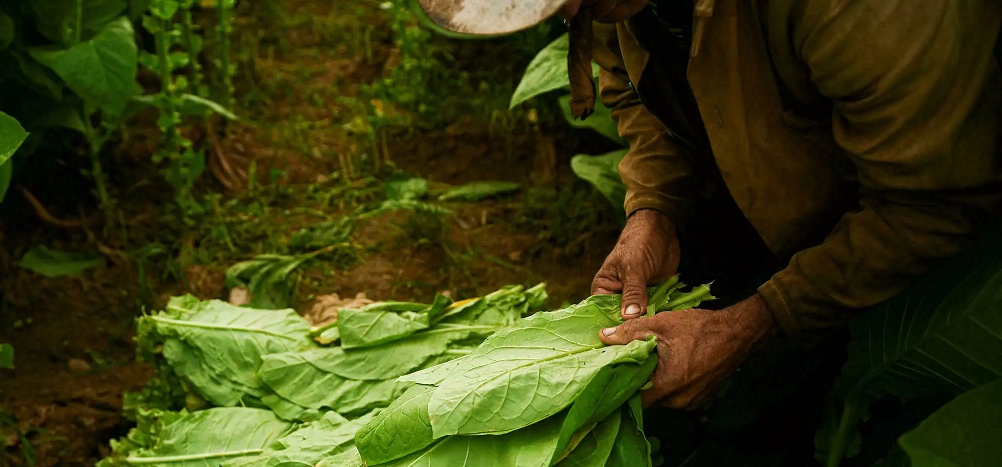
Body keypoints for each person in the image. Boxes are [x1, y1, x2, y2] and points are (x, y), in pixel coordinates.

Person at [419, 0, 1002, 408]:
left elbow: (930, 205)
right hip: (756, 191)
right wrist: (652, 210)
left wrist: (753, 323)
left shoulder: (861, 13)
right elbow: (633, 92)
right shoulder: (601, 5)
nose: (572, 12)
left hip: (897, 232)